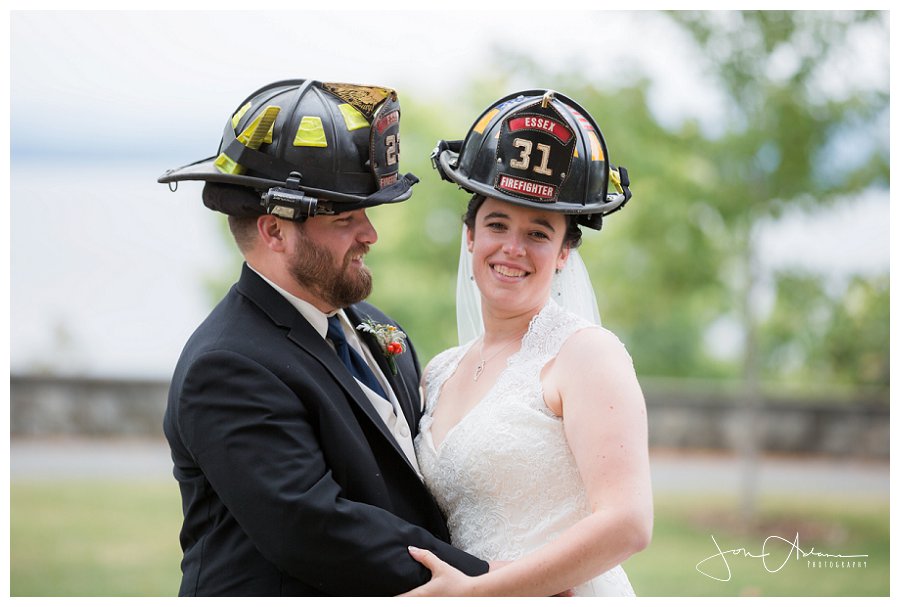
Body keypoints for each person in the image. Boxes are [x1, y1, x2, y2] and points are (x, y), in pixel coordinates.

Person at [158, 79, 488, 596]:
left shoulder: (375, 326)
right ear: (274, 231)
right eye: (345, 217)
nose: (370, 234)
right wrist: (496, 583)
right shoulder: (227, 365)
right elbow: (313, 527)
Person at [403, 89, 653, 596]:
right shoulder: (440, 371)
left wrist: (477, 592)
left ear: (564, 252)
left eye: (539, 233)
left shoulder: (586, 355)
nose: (512, 248)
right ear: (470, 236)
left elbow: (628, 523)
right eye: (497, 224)